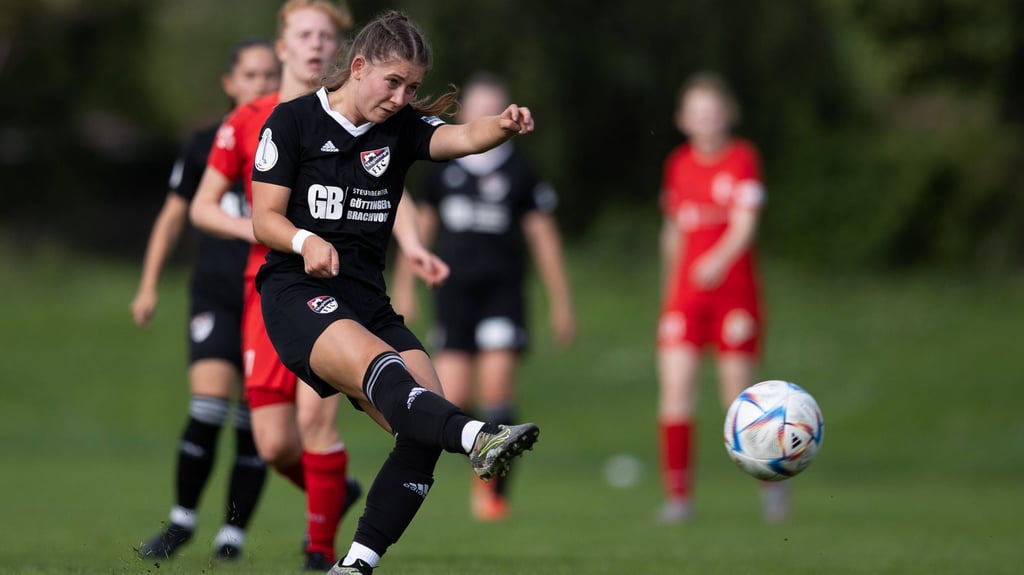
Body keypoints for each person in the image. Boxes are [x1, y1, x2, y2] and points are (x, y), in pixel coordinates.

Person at [249, 11, 541, 574]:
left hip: (367, 300)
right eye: (393, 82)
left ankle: (355, 565)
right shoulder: (292, 123)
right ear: (358, 67)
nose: (402, 96)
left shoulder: (401, 127)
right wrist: (305, 238)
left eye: (412, 86)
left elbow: (462, 136)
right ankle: (480, 434)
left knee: (423, 426)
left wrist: (501, 126)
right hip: (297, 292)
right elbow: (264, 218)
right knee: (391, 374)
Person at [189, 1, 362, 569]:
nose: (315, 45)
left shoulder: (354, 118)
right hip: (263, 289)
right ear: (283, 45)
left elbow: (389, 191)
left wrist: (411, 246)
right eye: (303, 34)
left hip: (331, 284)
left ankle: (322, 551)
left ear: (340, 52)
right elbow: (202, 208)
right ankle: (333, 494)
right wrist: (267, 230)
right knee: (273, 445)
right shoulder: (247, 119)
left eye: (325, 36)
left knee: (317, 419)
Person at [391, 71, 575, 522]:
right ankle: (476, 453)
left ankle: (492, 496)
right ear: (467, 113)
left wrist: (561, 302)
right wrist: (403, 286)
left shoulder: (519, 170)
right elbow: (420, 228)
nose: (489, 113)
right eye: (480, 106)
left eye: (498, 105)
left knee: (496, 389)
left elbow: (543, 238)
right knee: (451, 395)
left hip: (502, 294)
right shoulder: (446, 166)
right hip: (452, 294)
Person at [131, 37, 280, 562]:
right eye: (251, 75)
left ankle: (232, 535)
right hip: (215, 293)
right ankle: (182, 521)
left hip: (267, 295)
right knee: (208, 404)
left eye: (270, 75)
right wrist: (148, 285)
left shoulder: (292, 140)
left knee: (251, 420)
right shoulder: (204, 144)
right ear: (230, 82)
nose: (261, 84)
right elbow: (174, 217)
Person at [656, 72, 788, 523]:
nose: (706, 121)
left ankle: (770, 486)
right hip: (686, 299)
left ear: (728, 115)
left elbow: (745, 224)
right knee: (675, 392)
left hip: (734, 295)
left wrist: (716, 260)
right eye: (697, 113)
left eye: (713, 113)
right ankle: (678, 498)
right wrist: (669, 295)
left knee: (739, 398)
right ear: (682, 119)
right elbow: (673, 232)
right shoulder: (678, 164)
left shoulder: (743, 158)